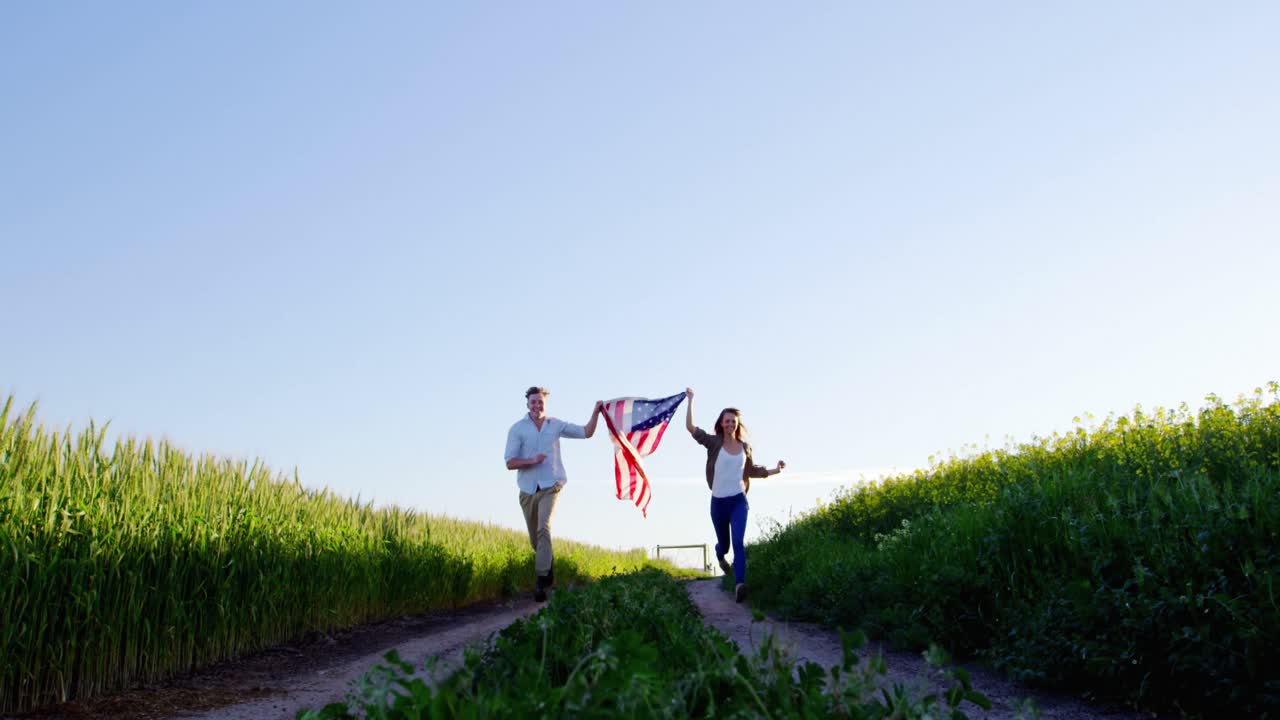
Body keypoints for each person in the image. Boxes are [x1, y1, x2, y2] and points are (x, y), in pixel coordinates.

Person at [684, 387, 784, 603]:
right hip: (718, 503)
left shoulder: (744, 447)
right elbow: (690, 428)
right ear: (721, 423)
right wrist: (690, 400)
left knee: (738, 543)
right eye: (726, 421)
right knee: (725, 545)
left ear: (737, 425)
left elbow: (752, 470)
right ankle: (720, 556)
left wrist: (775, 470)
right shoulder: (714, 443)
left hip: (739, 501)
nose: (730, 424)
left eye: (733, 421)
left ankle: (740, 584)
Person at [504, 386, 602, 602]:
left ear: (545, 404)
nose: (537, 406)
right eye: (533, 402)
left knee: (543, 528)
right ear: (527, 404)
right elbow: (510, 462)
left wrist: (596, 412)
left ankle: (541, 583)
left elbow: (587, 432)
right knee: (536, 540)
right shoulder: (517, 429)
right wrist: (532, 460)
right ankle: (548, 572)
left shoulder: (555, 425)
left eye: (541, 402)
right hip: (528, 489)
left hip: (552, 484)